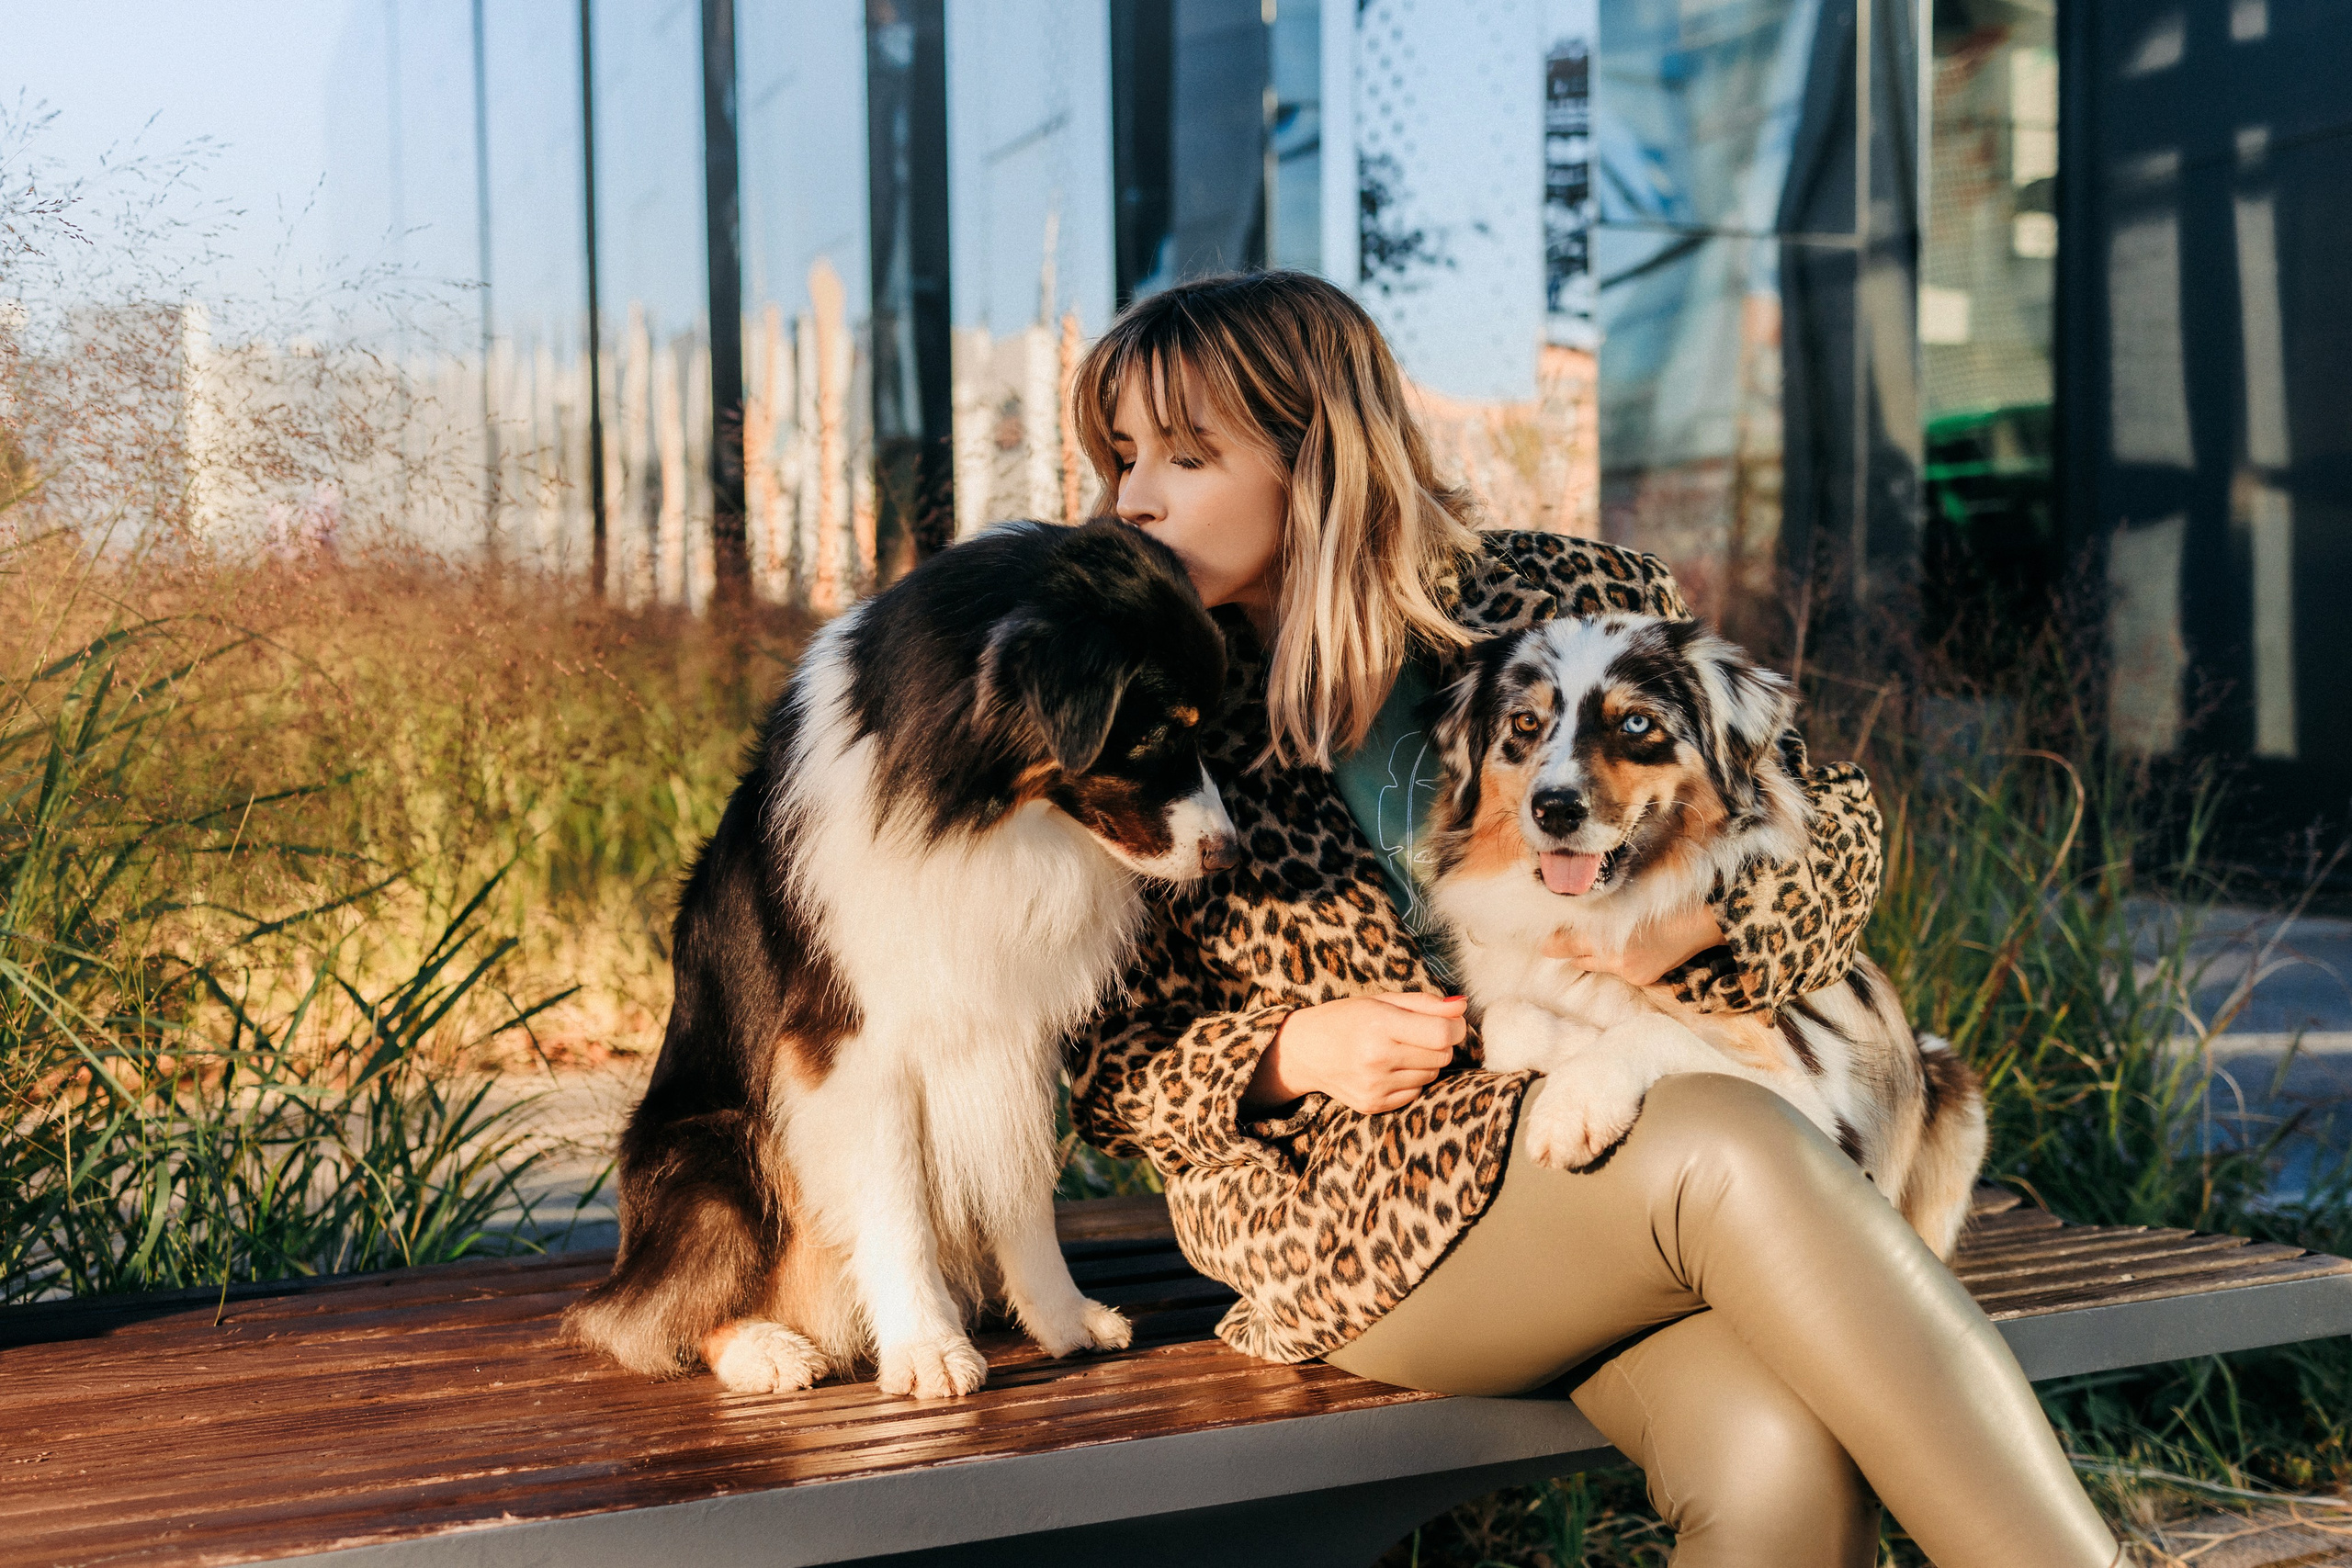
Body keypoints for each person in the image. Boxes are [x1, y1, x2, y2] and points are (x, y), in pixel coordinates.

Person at [1063, 271, 2118, 1568]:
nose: (1134, 498)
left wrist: (1711, 926)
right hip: (1359, 1218)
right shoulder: (1140, 703)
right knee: (1731, 1141)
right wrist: (1291, 1052)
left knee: (1779, 1467)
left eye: (1185, 455)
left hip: (1602, 1144)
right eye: (1122, 457)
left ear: (1316, 457)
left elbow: (1832, 825)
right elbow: (1107, 1069)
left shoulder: (1559, 599)